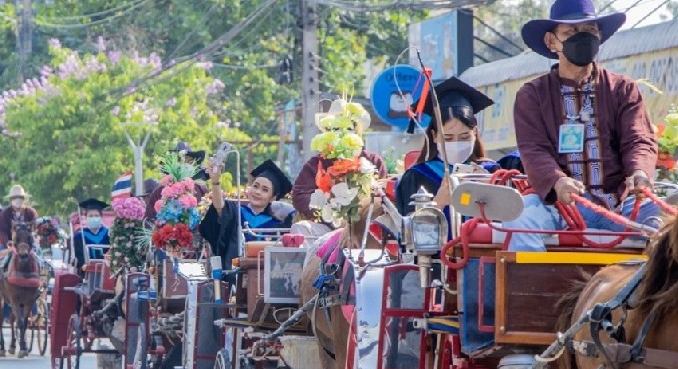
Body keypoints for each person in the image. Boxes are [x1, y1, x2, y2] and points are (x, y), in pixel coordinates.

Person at [503, 0, 660, 252]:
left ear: (599, 37)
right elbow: (534, 149)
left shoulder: (623, 89)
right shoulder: (532, 95)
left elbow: (638, 139)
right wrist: (556, 181)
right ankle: (532, 292)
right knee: (521, 223)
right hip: (560, 207)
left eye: (589, 31)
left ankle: (653, 293)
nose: (582, 38)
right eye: (571, 33)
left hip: (620, 205)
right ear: (552, 42)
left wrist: (640, 172)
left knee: (674, 227)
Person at [394, 77, 498, 216]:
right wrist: (438, 203)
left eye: (464, 137)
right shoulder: (417, 176)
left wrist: (492, 193)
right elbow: (409, 232)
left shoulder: (491, 171)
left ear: (474, 133)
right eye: (448, 138)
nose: (457, 144)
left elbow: (508, 225)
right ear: (434, 135)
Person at [291, 98, 388, 238]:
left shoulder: (373, 161)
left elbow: (382, 196)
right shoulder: (317, 162)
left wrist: (360, 210)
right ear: (328, 132)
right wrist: (328, 211)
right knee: (300, 228)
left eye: (349, 129)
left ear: (357, 132)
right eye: (336, 129)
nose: (343, 133)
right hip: (325, 226)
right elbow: (300, 194)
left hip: (364, 228)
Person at [201, 159, 295, 271]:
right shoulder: (235, 212)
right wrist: (215, 182)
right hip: (233, 268)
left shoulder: (277, 226)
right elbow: (219, 206)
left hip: (264, 274)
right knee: (236, 270)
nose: (257, 192)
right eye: (255, 186)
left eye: (265, 190)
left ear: (273, 197)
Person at [144, 145, 209, 219]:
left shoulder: (202, 191)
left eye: (189, 161)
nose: (184, 164)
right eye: (179, 160)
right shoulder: (160, 192)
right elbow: (148, 221)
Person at [72, 198, 110, 274]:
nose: (94, 218)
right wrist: (83, 265)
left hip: (106, 272)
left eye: (96, 215)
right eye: (91, 216)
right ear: (86, 217)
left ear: (101, 217)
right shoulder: (80, 236)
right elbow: (79, 257)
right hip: (87, 272)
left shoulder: (108, 233)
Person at [0, 185, 39, 249]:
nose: (18, 199)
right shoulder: (4, 213)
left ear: (24, 199)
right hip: (9, 243)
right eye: (14, 197)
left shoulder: (31, 212)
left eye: (20, 197)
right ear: (10, 199)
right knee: (1, 253)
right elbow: (3, 232)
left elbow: (34, 229)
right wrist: (7, 243)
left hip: (28, 244)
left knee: (38, 252)